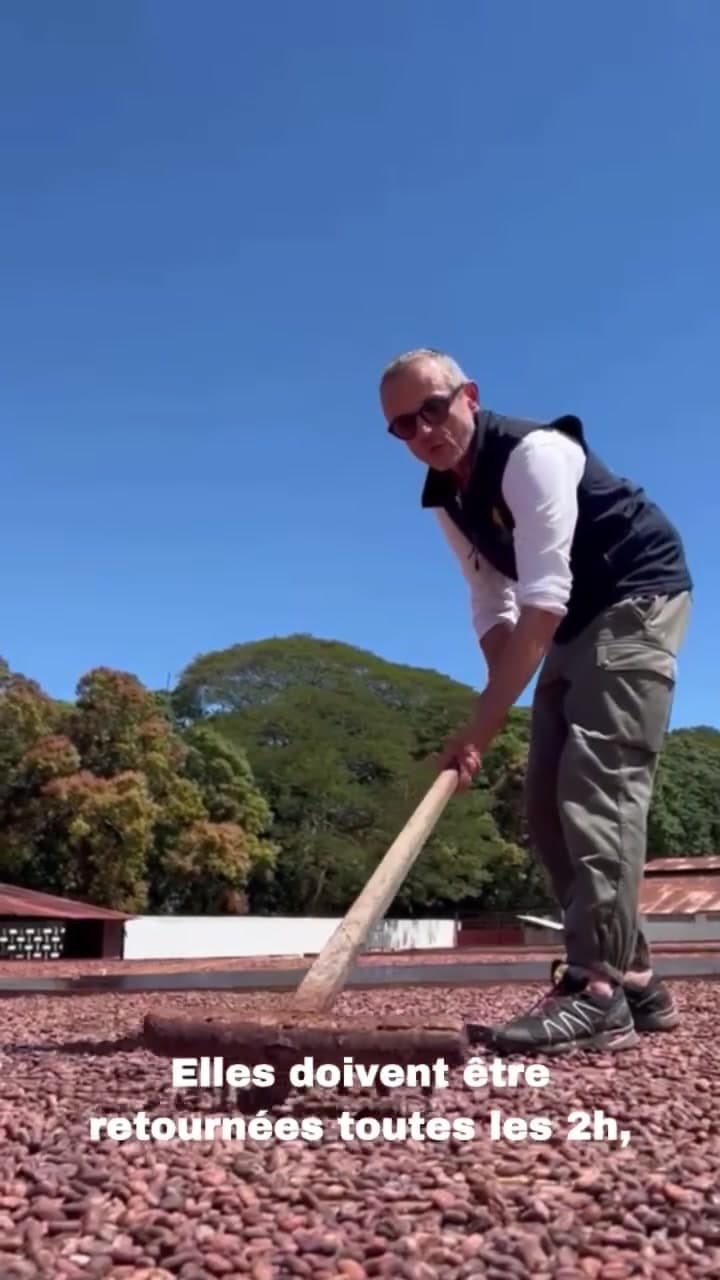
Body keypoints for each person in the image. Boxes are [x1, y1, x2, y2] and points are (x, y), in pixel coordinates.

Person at [378, 347, 692, 1056]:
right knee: (545, 806)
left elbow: (542, 595)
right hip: (568, 622)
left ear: (469, 396)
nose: (423, 430)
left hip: (634, 596)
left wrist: (480, 726)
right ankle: (637, 978)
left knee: (597, 788)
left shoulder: (534, 454)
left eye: (433, 407)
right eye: (403, 425)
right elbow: (493, 599)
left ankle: (597, 990)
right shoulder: (444, 497)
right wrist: (504, 702)